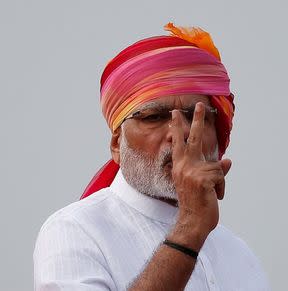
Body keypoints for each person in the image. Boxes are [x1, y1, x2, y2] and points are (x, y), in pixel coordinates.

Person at [33, 23, 270, 291]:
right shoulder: (75, 232)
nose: (179, 133)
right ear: (116, 145)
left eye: (196, 117)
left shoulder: (238, 255)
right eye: (154, 117)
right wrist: (190, 228)